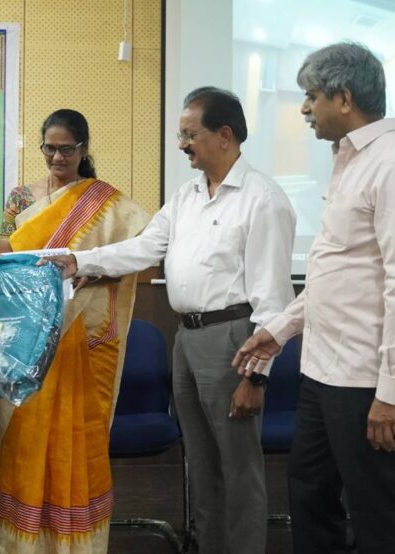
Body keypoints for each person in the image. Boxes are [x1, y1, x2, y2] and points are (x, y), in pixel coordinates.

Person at [42, 89, 296, 554]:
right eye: (181, 135)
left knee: (238, 466)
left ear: (224, 135)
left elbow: (274, 299)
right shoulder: (187, 195)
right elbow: (144, 248)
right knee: (201, 462)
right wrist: (79, 261)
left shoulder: (263, 200)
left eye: (189, 135)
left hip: (233, 342)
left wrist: (255, 378)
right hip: (187, 340)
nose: (181, 145)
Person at [233, 42, 395, 554]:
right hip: (322, 371)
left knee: (378, 514)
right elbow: (337, 274)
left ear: (344, 98)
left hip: (366, 380)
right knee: (310, 498)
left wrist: (391, 392)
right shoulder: (350, 161)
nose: (304, 108)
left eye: (311, 96)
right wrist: (280, 330)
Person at [0, 109, 150, 553]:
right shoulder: (21, 199)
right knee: (25, 439)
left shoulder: (107, 204)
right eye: (50, 148)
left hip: (81, 338)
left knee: (77, 443)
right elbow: (5, 256)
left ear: (83, 149)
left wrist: (89, 269)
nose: (57, 157)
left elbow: (136, 256)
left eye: (67, 149)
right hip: (29, 340)